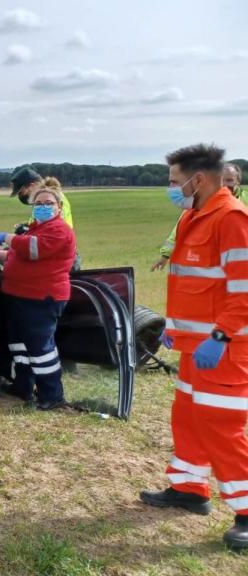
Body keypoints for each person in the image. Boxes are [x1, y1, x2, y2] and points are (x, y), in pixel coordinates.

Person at [139, 144, 248, 552]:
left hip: (224, 350)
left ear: (197, 179)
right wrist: (174, 326)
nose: (171, 188)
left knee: (222, 430)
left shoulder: (234, 220)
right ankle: (189, 488)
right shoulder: (193, 216)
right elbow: (191, 281)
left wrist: (220, 337)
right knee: (186, 416)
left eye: (173, 181)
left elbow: (244, 291)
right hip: (194, 347)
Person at [0, 185, 76, 410]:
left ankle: (52, 396)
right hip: (19, 296)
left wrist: (7, 237)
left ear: (59, 207)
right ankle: (23, 385)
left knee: (40, 349)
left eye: (48, 203)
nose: (43, 207)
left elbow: (34, 249)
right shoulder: (37, 229)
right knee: (19, 346)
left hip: (41, 298)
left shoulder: (59, 230)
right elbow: (21, 255)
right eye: (38, 204)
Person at [153, 162, 244, 272]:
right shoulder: (199, 204)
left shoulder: (245, 201)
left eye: (229, 180)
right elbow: (178, 232)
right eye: (221, 180)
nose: (225, 184)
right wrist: (165, 256)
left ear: (237, 181)